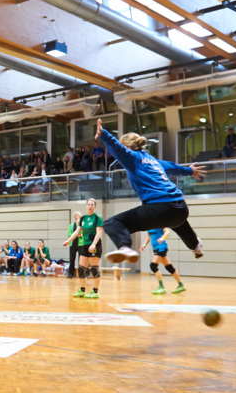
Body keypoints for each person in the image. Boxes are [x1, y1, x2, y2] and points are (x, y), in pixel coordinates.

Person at [93, 119, 206, 265]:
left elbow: (118, 149)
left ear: (127, 147)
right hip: (181, 209)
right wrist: (190, 170)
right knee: (176, 220)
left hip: (158, 209)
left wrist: (104, 135)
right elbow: (172, 167)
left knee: (112, 223)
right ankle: (195, 245)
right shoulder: (153, 160)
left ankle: (125, 247)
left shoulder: (132, 158)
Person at [64, 198, 103, 299]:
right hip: (84, 246)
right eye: (88, 204)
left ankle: (95, 292)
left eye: (92, 205)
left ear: (95, 206)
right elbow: (77, 232)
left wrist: (93, 244)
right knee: (81, 269)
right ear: (86, 206)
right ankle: (82, 290)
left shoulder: (97, 218)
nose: (90, 206)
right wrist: (69, 241)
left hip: (94, 245)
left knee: (94, 269)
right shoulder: (83, 218)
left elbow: (99, 232)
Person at [139, 228, 186, 294]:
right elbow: (149, 236)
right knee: (169, 267)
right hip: (155, 249)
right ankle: (181, 285)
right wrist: (144, 244)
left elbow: (167, 231)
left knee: (153, 266)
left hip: (161, 247)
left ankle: (161, 287)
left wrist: (163, 238)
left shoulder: (159, 223)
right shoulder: (148, 225)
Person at [66, 211, 81, 278]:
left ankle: (82, 273)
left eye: (77, 215)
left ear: (80, 216)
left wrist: (78, 224)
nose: (76, 216)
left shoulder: (82, 224)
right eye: (75, 215)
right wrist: (78, 235)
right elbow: (69, 234)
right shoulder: (71, 225)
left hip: (81, 244)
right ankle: (71, 273)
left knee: (81, 259)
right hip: (73, 244)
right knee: (72, 259)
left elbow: (84, 233)